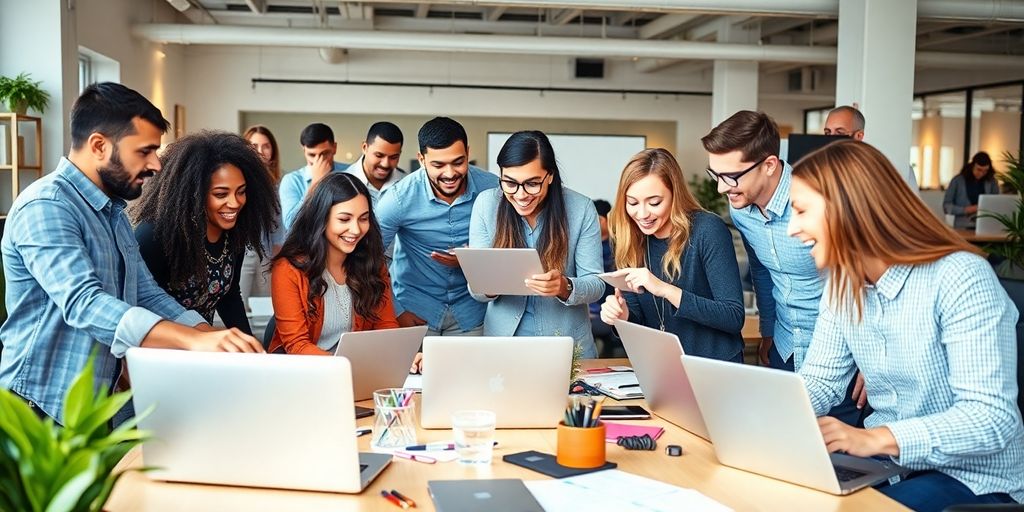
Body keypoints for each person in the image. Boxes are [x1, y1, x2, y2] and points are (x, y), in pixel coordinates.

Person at [0, 82, 262, 425]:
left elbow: (146, 292)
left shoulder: (112, 212)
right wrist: (191, 341)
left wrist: (210, 335)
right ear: (99, 145)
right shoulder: (47, 206)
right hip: (38, 407)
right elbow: (85, 303)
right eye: (145, 151)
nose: (155, 164)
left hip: (91, 405)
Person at [789, 139, 1023, 512]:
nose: (792, 228)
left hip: (972, 478)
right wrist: (765, 414)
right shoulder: (843, 283)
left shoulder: (960, 277)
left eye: (801, 211)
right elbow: (820, 380)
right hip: (889, 467)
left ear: (848, 209)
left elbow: (991, 419)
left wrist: (876, 439)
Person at [702, 110, 864, 426]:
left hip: (843, 354)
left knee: (843, 463)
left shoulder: (821, 199)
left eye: (731, 177)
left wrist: (871, 361)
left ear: (769, 165)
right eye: (716, 175)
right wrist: (768, 330)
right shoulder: (741, 209)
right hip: (785, 346)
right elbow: (761, 271)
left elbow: (864, 279)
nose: (722, 189)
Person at [600, 148, 744, 362]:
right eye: (632, 203)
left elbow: (733, 316)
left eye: (654, 202)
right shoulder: (629, 239)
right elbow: (640, 322)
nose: (642, 214)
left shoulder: (708, 230)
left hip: (715, 366)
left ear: (675, 195)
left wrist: (665, 290)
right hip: (663, 366)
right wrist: (622, 317)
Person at [469, 130, 604, 358]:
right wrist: (487, 284)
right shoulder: (486, 204)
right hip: (503, 346)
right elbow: (476, 290)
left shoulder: (581, 208)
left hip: (567, 346)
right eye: (509, 183)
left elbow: (596, 284)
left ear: (549, 175)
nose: (521, 195)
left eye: (532, 184)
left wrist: (565, 287)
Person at [130, 131, 279, 335]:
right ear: (194, 194)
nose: (235, 203)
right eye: (221, 194)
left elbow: (229, 295)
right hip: (160, 351)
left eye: (241, 191)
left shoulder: (234, 232)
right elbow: (140, 304)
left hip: (203, 349)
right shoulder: (155, 235)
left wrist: (249, 347)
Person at [375, 117, 499, 343]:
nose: (450, 173)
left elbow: (514, 245)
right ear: (421, 159)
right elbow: (370, 259)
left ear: (468, 153)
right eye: (438, 165)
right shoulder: (397, 199)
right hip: (415, 311)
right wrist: (397, 310)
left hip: (473, 313)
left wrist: (473, 259)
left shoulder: (494, 190)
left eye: (458, 162)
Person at [270, 172, 398, 355]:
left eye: (363, 218)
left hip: (357, 372)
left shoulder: (372, 264)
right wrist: (346, 367)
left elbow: (386, 327)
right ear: (321, 219)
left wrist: (406, 355)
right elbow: (297, 346)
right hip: (308, 373)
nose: (356, 230)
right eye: (344, 219)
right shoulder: (288, 269)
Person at [824, 104, 919, 191]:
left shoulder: (881, 168)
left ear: (858, 136)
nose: (831, 138)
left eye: (840, 133)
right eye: (828, 132)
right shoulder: (822, 167)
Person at [239, 125, 285, 305]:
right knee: (239, 306)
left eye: (266, 146)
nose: (260, 151)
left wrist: (275, 260)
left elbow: (278, 226)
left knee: (265, 308)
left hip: (266, 255)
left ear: (272, 150)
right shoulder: (237, 178)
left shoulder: (278, 183)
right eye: (254, 146)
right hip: (241, 253)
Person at [279, 123, 351, 230]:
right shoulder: (292, 180)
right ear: (304, 151)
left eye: (324, 153)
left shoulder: (351, 172)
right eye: (312, 155)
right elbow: (291, 224)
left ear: (334, 148)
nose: (318, 160)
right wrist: (316, 182)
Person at [344, 121, 407, 205]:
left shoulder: (407, 184)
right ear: (364, 148)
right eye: (379, 155)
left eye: (393, 157)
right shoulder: (343, 182)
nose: (385, 164)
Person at [944, 152, 1001, 229]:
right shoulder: (957, 181)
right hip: (962, 227)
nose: (981, 173)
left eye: (985, 171)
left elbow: (996, 203)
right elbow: (946, 207)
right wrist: (966, 210)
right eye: (979, 170)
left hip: (985, 226)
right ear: (972, 166)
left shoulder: (992, 182)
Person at [589, 199, 617, 356]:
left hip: (610, 309)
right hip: (588, 309)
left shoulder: (618, 246)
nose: (593, 224)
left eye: (598, 219)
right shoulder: (587, 247)